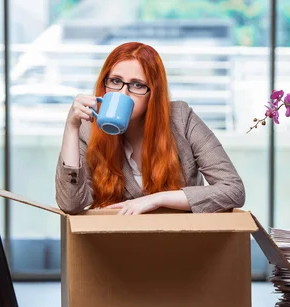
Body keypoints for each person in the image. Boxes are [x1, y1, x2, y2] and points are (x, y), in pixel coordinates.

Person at [55, 42, 245, 215]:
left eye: (137, 85)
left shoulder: (181, 118)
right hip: (117, 247)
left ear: (153, 93)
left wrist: (157, 199)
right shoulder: (88, 129)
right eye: (115, 81)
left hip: (183, 244)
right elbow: (70, 204)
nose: (124, 93)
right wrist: (71, 127)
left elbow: (233, 189)